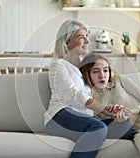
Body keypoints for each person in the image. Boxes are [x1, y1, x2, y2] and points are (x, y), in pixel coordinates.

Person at [44, 20, 133, 158]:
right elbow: (74, 94)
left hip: (83, 120)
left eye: (87, 36)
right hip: (59, 117)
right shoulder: (58, 65)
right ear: (66, 42)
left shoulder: (85, 67)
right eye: (81, 37)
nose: (87, 40)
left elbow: (101, 84)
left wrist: (112, 109)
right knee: (98, 128)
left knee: (124, 126)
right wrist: (103, 109)